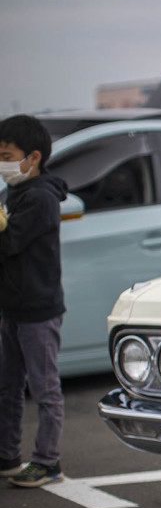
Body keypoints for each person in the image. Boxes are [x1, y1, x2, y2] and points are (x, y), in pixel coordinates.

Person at [0, 114, 69, 487]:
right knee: (8, 386)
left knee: (44, 389)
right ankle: (7, 455)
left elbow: (8, 244)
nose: (2, 162)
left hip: (38, 310)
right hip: (13, 306)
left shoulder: (40, 198)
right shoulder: (17, 192)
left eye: (8, 154)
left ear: (33, 157)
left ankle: (48, 461)